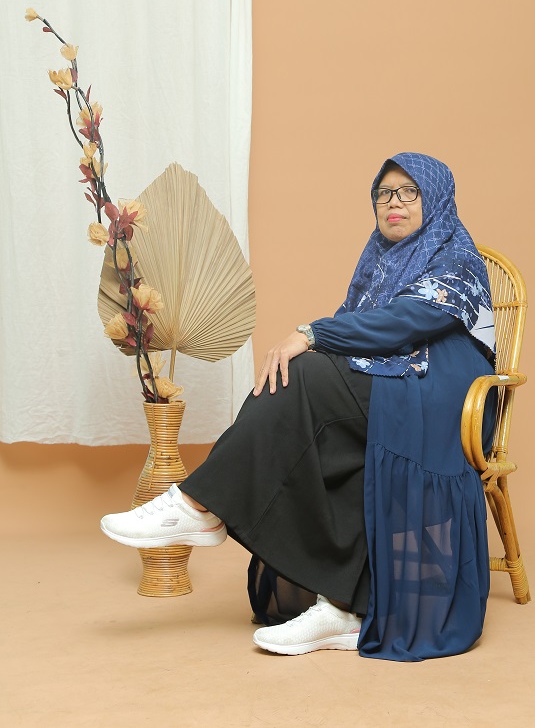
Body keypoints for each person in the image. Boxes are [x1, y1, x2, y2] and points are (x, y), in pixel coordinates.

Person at [100, 152, 497, 662]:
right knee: (300, 392)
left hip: (442, 397)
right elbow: (360, 327)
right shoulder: (380, 258)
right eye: (383, 193)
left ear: (436, 199)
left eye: (408, 192)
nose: (392, 203)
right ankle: (344, 606)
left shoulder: (457, 257)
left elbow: (406, 322)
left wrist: (311, 333)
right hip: (392, 379)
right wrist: (317, 340)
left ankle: (198, 505)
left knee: (303, 373)